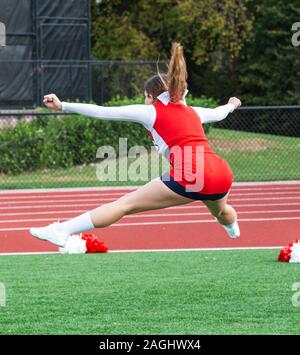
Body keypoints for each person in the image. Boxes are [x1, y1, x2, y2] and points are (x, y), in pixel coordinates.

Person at [30, 42, 241, 247]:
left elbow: (103, 112)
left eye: (145, 97)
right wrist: (232, 105)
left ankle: (61, 230)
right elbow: (218, 113)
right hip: (222, 171)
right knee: (221, 212)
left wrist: (63, 105)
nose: (144, 101)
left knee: (125, 204)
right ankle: (233, 229)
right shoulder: (193, 111)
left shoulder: (151, 111)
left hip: (192, 173)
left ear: (152, 96)